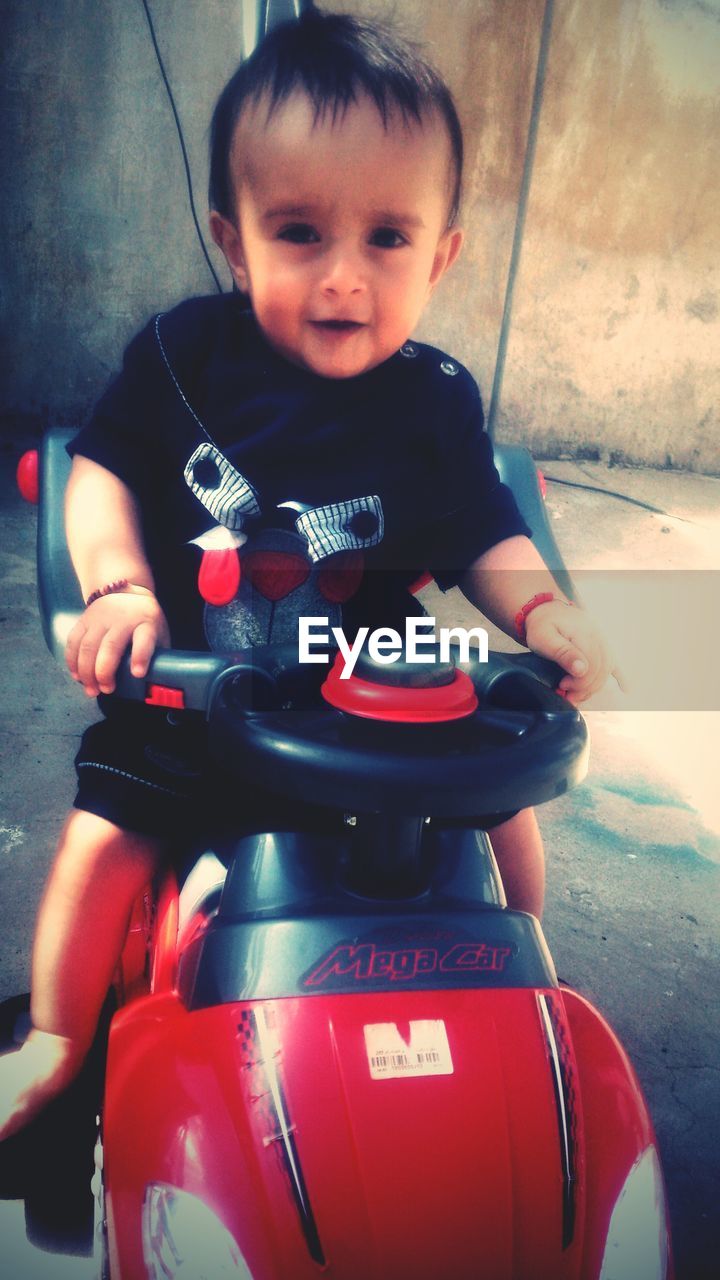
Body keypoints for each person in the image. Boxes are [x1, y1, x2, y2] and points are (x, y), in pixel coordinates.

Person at [0, 10, 611, 1141]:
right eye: (299, 233)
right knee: (107, 829)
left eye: (387, 238)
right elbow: (99, 471)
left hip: (373, 696)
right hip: (204, 688)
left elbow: (487, 527)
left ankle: (513, 984)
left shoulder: (432, 399)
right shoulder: (185, 358)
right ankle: (55, 1039)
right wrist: (121, 585)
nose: (344, 279)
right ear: (235, 241)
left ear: (442, 254)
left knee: (506, 802)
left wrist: (540, 607)